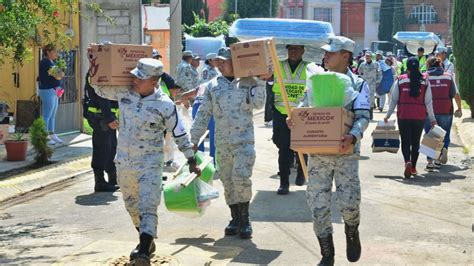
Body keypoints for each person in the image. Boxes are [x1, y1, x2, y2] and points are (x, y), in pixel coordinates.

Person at [90, 57, 201, 265]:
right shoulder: (124, 93)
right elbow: (98, 88)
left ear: (154, 81)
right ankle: (146, 240)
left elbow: (179, 132)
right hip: (124, 162)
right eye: (135, 76)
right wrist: (96, 62)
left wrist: (191, 159)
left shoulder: (165, 105)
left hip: (150, 164)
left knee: (148, 205)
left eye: (141, 79)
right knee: (132, 205)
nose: (135, 81)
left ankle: (143, 251)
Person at [288, 36, 370, 266]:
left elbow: (364, 117)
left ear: (345, 56)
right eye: (325, 53)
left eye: (330, 53)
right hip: (319, 155)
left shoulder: (358, 84)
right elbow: (304, 109)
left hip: (346, 154)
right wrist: (295, 119)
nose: (325, 56)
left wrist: (353, 135)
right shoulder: (314, 81)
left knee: (349, 203)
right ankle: (327, 253)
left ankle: (352, 231)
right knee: (318, 204)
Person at [190, 47, 267, 239]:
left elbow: (259, 104)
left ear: (237, 62)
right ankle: (234, 218)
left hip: (244, 141)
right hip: (223, 143)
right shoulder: (213, 86)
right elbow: (203, 114)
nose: (221, 65)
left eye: (224, 62)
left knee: (241, 178)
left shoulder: (250, 82)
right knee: (228, 181)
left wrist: (262, 81)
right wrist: (193, 139)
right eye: (219, 62)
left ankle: (245, 219)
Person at [385, 57, 436, 178]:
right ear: (418, 67)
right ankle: (413, 167)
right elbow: (429, 102)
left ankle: (407, 161)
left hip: (404, 114)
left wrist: (387, 115)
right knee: (415, 142)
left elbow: (393, 100)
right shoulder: (425, 81)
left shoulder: (400, 80)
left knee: (406, 141)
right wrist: (433, 119)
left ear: (407, 68)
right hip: (419, 116)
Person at [272, 45, 308, 194]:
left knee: (302, 146)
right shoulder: (278, 65)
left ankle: (301, 170)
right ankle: (284, 182)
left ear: (303, 51)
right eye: (290, 49)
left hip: (302, 114)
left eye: (297, 49)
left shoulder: (310, 68)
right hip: (282, 112)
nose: (293, 52)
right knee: (284, 148)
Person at [424, 57, 462, 170]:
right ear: (441, 65)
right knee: (444, 133)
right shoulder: (448, 77)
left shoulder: (425, 77)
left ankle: (430, 162)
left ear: (428, 65)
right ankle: (442, 152)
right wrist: (459, 108)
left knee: (431, 134)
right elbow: (455, 95)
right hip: (446, 109)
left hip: (429, 110)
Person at [83, 73, 119, 192]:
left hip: (109, 116)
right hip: (101, 117)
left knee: (112, 147)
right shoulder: (97, 72)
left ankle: (112, 177)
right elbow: (102, 96)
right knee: (102, 148)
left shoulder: (108, 70)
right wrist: (109, 118)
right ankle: (100, 182)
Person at [38, 44, 64, 145]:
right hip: (47, 90)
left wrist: (60, 74)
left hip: (54, 91)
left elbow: (61, 75)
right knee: (47, 115)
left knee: (52, 115)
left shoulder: (52, 62)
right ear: (48, 52)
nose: (56, 54)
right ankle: (45, 136)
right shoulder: (45, 62)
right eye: (54, 51)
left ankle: (52, 134)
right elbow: (58, 76)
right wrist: (59, 74)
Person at [358, 52, 381, 120]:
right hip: (365, 83)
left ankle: (371, 113)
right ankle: (365, 113)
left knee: (371, 98)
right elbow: (359, 72)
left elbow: (379, 73)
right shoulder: (362, 64)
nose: (367, 57)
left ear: (371, 57)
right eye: (366, 56)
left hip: (372, 83)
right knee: (364, 98)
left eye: (368, 56)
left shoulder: (375, 64)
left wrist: (378, 81)